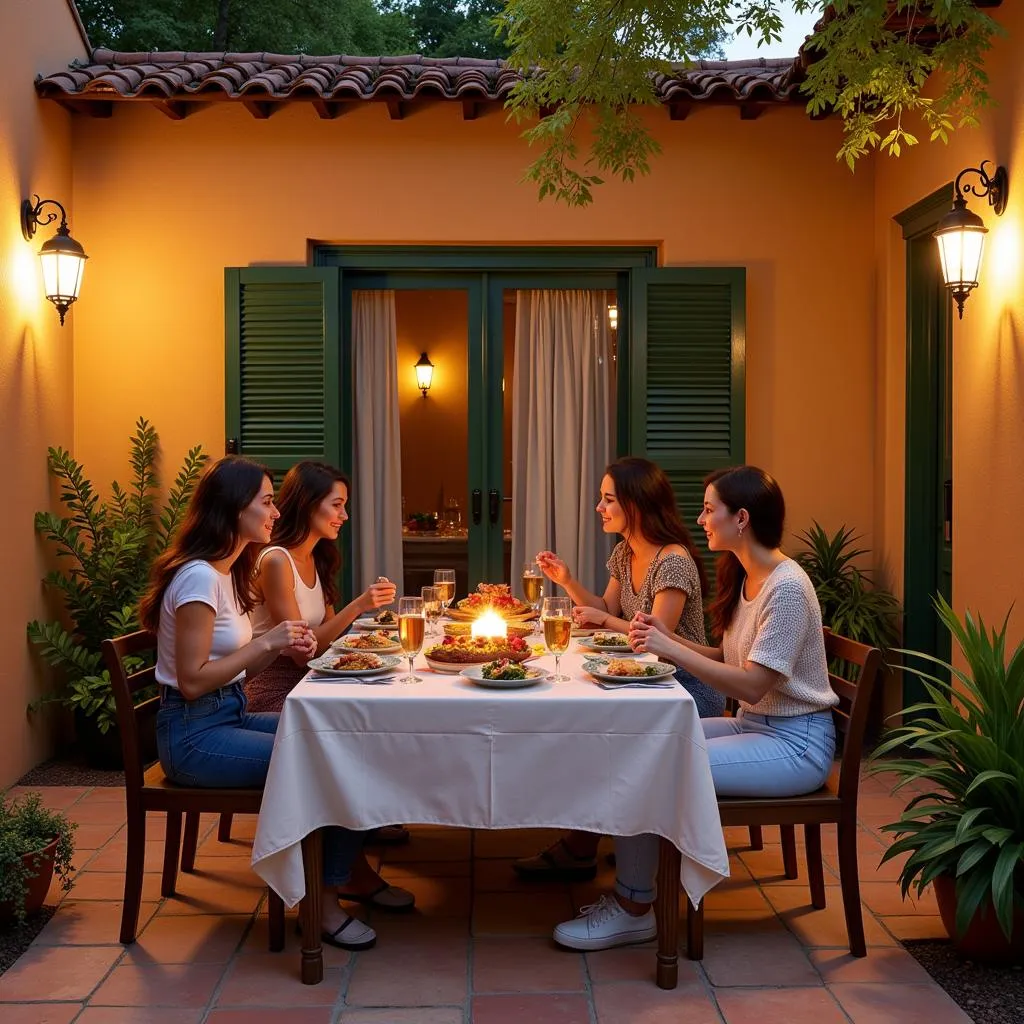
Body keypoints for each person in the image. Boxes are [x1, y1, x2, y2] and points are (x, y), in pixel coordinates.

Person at [551, 465, 839, 951]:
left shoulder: (786, 588)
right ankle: (632, 893)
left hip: (795, 743)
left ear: (741, 518)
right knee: (634, 745)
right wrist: (668, 641)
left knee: (647, 763)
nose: (700, 519)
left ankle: (634, 907)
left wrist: (671, 646)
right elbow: (729, 661)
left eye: (709, 510)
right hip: (755, 726)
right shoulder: (749, 576)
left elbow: (751, 685)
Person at [139, 456, 406, 950]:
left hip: (230, 712)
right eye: (265, 501)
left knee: (350, 746)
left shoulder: (227, 573)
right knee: (337, 763)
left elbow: (238, 669)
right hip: (194, 736)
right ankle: (322, 904)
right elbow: (193, 683)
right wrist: (267, 643)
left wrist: (278, 647)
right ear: (232, 508)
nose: (275, 512)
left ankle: (334, 882)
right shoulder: (199, 578)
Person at [514, 456, 724, 883]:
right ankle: (590, 839)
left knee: (602, 740)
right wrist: (567, 581)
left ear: (637, 504)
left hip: (684, 688)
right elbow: (607, 609)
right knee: (586, 729)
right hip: (638, 679)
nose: (600, 507)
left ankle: (586, 846)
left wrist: (605, 622)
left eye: (608, 499)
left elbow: (657, 639)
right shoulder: (625, 551)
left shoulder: (673, 560)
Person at [245, 459, 413, 861]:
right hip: (273, 689)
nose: (344, 515)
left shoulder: (315, 558)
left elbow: (329, 640)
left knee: (383, 715)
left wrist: (368, 633)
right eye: (336, 505)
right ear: (308, 505)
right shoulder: (275, 561)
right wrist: (358, 606)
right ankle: (343, 864)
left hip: (308, 682)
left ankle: (363, 819)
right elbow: (310, 651)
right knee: (355, 737)